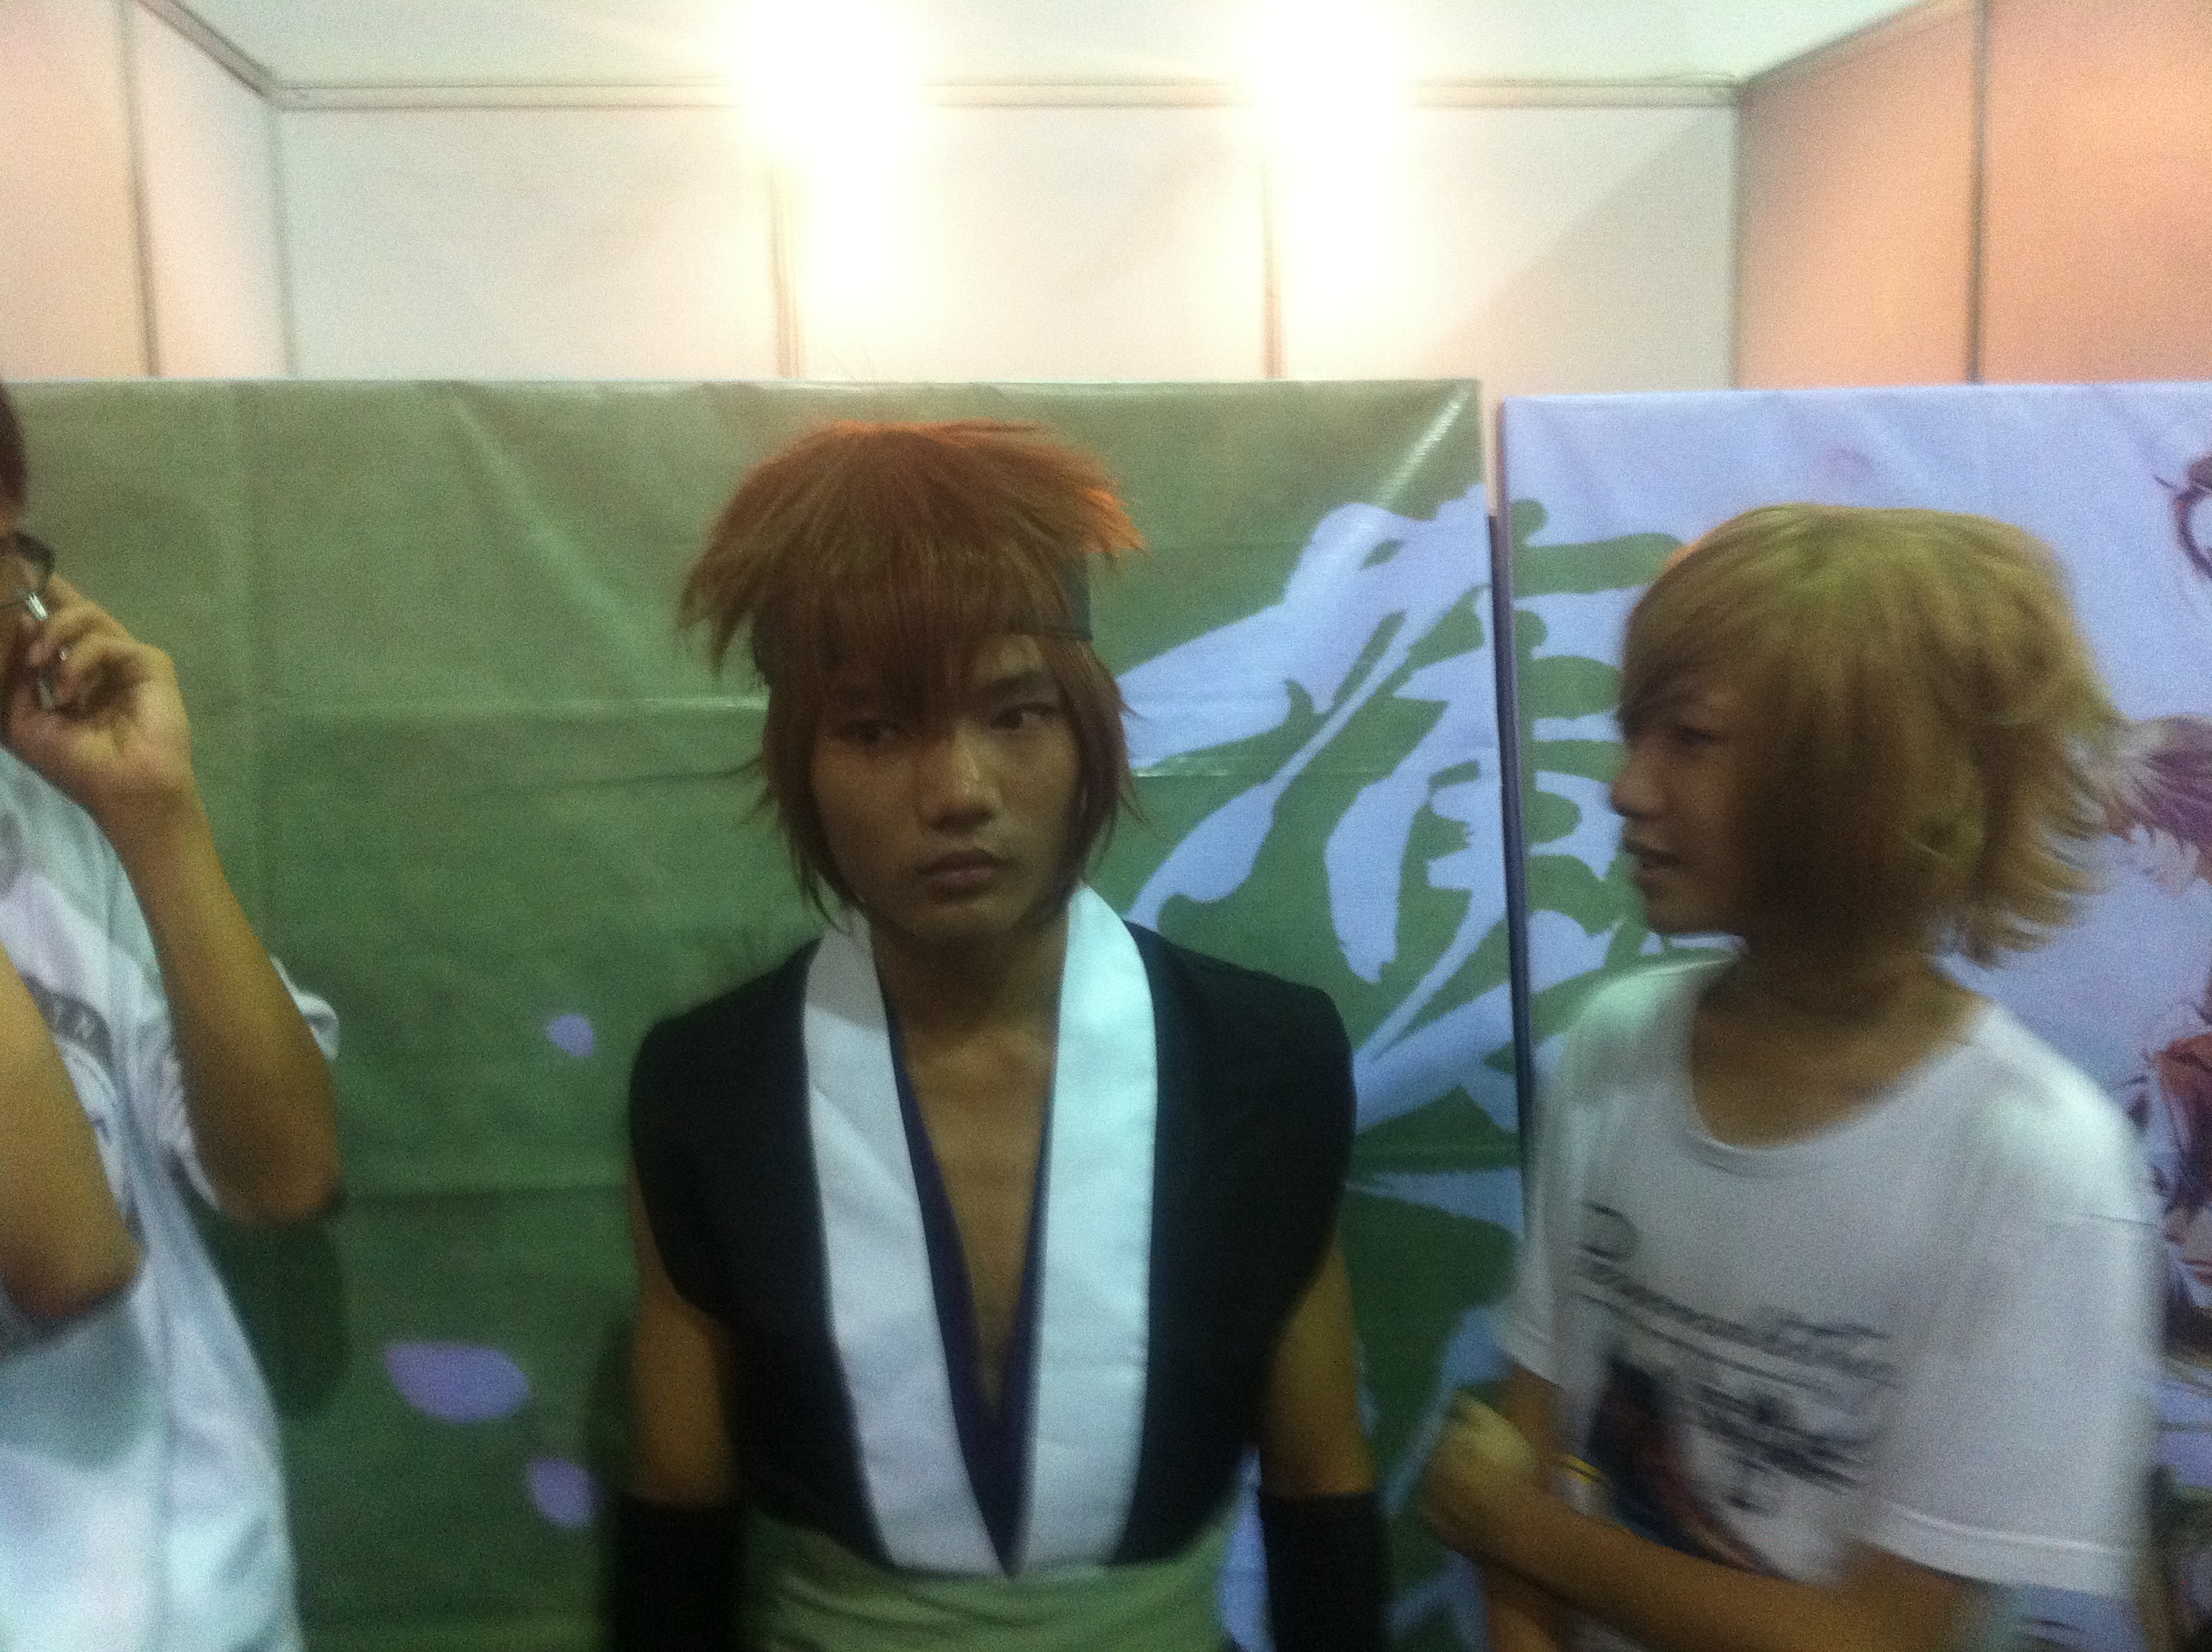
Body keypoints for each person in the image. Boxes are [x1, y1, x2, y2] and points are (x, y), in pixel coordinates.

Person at [612, 420, 1386, 1650]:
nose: (958, 791)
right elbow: (677, 1507)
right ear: (800, 764)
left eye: (1015, 715)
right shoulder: (709, 1090)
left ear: (1089, 735)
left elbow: (1320, 1480)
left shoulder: (1261, 1062)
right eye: (875, 730)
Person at [1422, 504, 2158, 1652]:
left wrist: (1521, 1530)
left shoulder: (2037, 1163)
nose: (1626, 789)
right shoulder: (1618, 1047)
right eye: (1635, 734)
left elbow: (1887, 1638)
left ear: (1863, 780)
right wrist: (1519, 1535)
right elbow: (1533, 1444)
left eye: (1691, 740)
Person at [0, 381, 341, 1649]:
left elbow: (283, 1172)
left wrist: (153, 813)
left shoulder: (54, 821)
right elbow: (67, 1259)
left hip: (212, 1604)